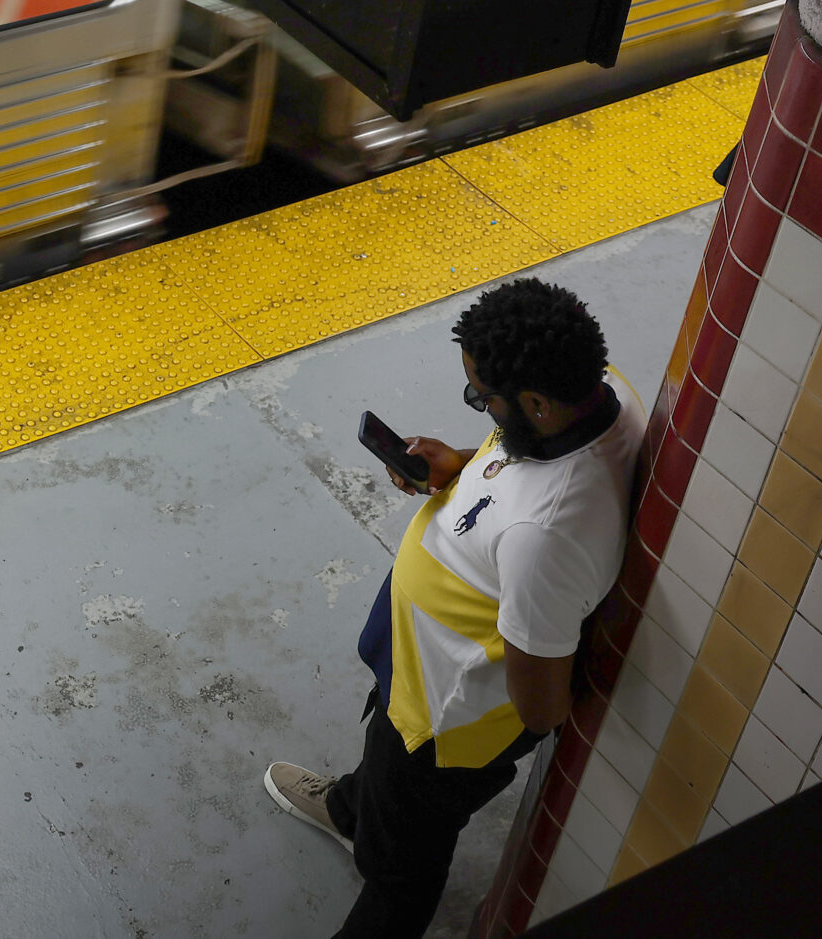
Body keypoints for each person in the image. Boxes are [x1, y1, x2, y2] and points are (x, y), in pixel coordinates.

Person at [263, 278, 644, 939]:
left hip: (443, 721)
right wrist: (462, 465)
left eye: (482, 398)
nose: (479, 409)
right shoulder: (597, 390)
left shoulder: (546, 536)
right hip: (415, 674)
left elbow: (541, 708)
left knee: (402, 870)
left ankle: (375, 854)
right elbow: (515, 471)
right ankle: (353, 811)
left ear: (534, 402)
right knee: (385, 762)